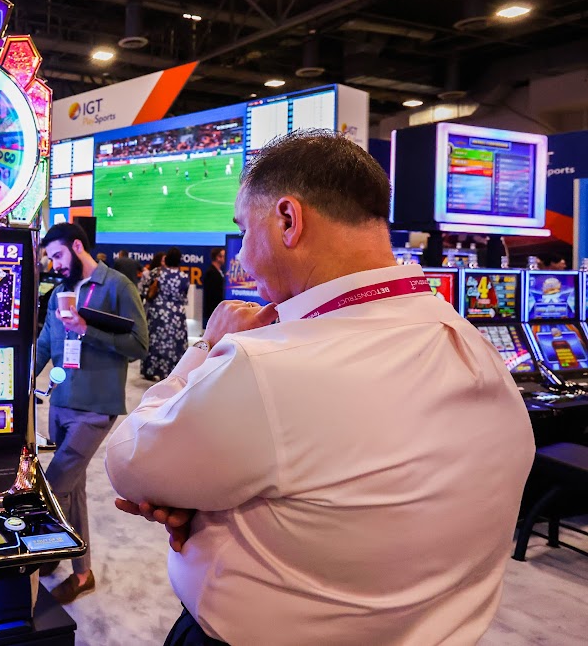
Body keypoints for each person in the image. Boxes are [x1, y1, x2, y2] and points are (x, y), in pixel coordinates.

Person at [106, 132, 534, 646]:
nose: (241, 255)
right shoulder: (473, 343)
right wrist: (205, 505)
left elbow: (129, 460)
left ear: (288, 219)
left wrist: (205, 350)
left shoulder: (267, 364)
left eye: (244, 229)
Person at [34, 222, 148, 604]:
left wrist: (87, 330)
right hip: (61, 401)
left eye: (58, 255)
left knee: (52, 487)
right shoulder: (58, 293)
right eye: (49, 257)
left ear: (78, 246)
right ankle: (81, 572)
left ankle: (43, 552)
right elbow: (48, 342)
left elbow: (139, 345)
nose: (54, 263)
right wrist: (20, 380)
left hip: (96, 406)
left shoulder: (116, 285)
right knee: (75, 489)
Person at [141, 247, 188, 381]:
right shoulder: (184, 277)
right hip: (176, 314)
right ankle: (173, 372)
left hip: (158, 311)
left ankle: (151, 369)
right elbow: (183, 295)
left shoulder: (158, 273)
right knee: (174, 343)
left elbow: (145, 289)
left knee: (155, 342)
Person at [201, 246, 225, 329]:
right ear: (218, 257)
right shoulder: (211, 273)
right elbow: (211, 294)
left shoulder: (219, 272)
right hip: (213, 310)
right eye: (223, 256)